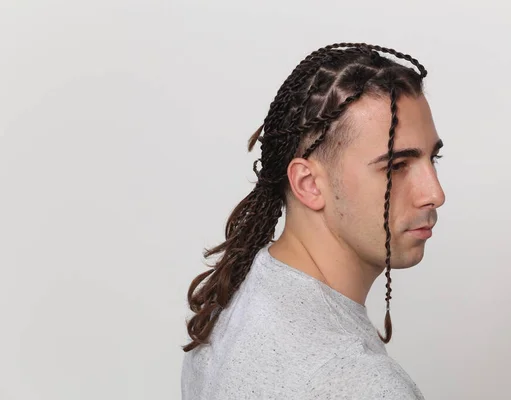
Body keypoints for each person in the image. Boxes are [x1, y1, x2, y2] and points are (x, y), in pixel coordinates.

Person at [181, 42, 445, 399]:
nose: (434, 193)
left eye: (433, 159)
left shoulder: (230, 302)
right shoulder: (359, 382)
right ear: (309, 184)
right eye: (397, 166)